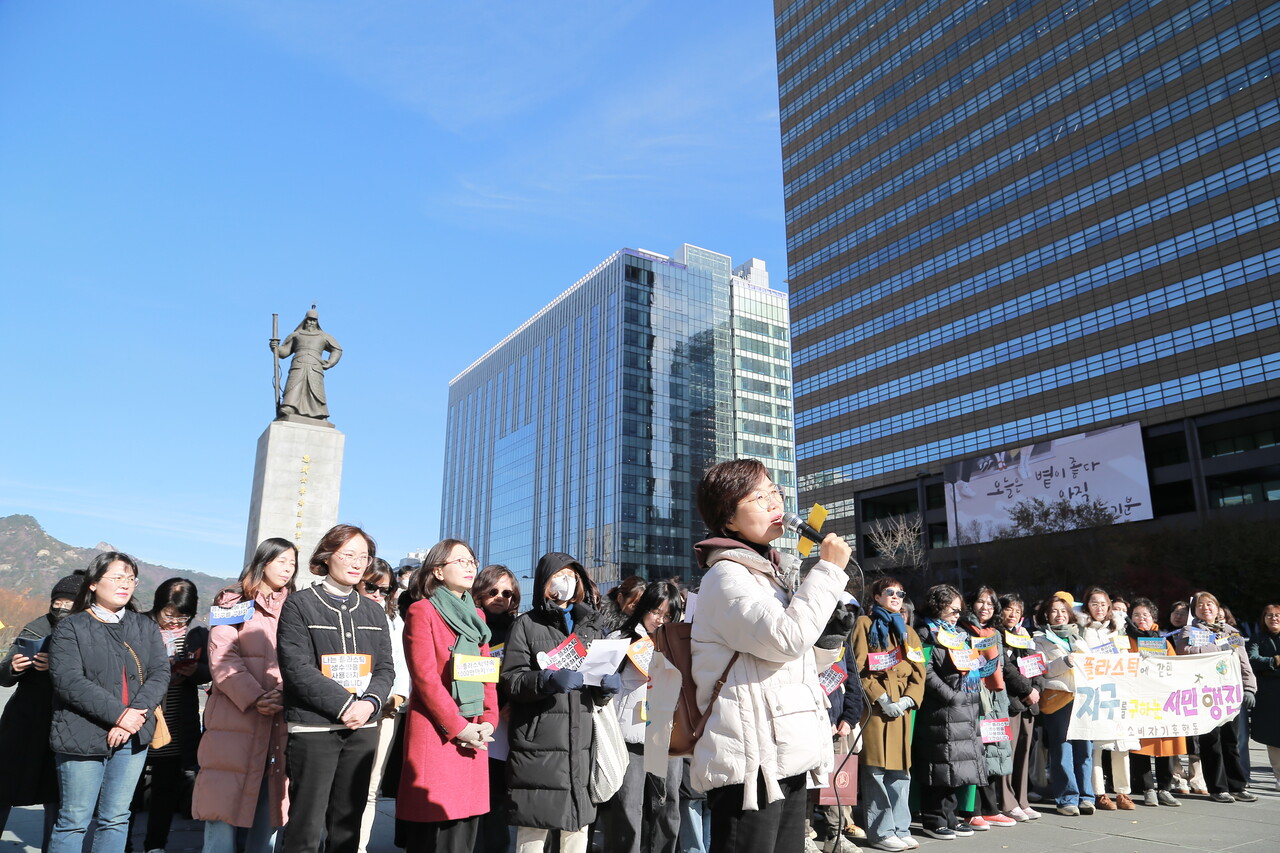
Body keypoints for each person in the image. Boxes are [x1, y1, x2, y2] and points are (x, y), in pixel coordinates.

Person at [686, 458, 852, 853]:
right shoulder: (726, 576)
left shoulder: (767, 575)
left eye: (774, 491)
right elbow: (784, 639)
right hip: (751, 761)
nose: (775, 502)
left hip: (783, 751)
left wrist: (827, 641)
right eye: (759, 497)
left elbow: (789, 663)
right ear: (728, 520)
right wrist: (827, 573)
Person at [277, 524, 396, 853]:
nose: (358, 562)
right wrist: (347, 705)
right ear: (327, 556)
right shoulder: (299, 604)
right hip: (314, 726)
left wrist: (370, 703)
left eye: (364, 556)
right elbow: (296, 668)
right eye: (349, 554)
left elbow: (385, 668)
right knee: (305, 825)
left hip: (364, 727)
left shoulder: (372, 609)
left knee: (348, 825)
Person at [48, 553, 170, 853]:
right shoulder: (71, 627)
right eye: (117, 577)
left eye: (130, 579)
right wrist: (119, 715)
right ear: (92, 583)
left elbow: (159, 673)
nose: (125, 585)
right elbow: (69, 681)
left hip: (133, 734)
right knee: (74, 819)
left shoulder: (144, 626)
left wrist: (134, 717)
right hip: (82, 732)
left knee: (116, 818)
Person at [501, 552, 617, 853]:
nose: (565, 581)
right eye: (558, 575)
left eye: (571, 575)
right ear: (543, 582)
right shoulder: (526, 624)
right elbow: (512, 680)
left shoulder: (590, 626)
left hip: (581, 740)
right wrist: (546, 681)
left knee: (577, 830)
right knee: (533, 830)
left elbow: (597, 676)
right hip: (538, 742)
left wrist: (606, 687)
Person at [192, 538, 298, 853]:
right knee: (222, 804)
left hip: (280, 715)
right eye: (281, 561)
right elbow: (221, 654)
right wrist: (255, 697)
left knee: (271, 806)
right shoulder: (232, 600)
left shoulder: (297, 605)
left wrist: (283, 693)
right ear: (263, 562)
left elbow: (304, 658)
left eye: (292, 563)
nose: (288, 568)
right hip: (234, 716)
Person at [396, 539, 498, 852]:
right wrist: (459, 726)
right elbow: (425, 679)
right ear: (438, 571)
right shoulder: (422, 611)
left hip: (475, 733)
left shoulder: (477, 616)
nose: (471, 567)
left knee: (464, 833)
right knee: (434, 835)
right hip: (437, 733)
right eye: (461, 561)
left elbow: (485, 675)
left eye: (472, 561)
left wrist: (489, 720)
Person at [600, 581, 685, 853]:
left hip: (666, 735)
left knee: (668, 805)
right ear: (644, 607)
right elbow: (598, 683)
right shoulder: (620, 639)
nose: (660, 620)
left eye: (668, 616)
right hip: (629, 737)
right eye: (656, 612)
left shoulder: (680, 646)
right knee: (627, 806)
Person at [0, 572, 81, 852]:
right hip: (24, 721)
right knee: (4, 785)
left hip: (65, 724)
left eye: (69, 602)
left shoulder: (87, 629)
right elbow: (4, 674)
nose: (61, 607)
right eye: (57, 601)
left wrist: (56, 666)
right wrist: (14, 666)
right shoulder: (36, 626)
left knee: (58, 798)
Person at [134, 579, 211, 853]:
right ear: (158, 606)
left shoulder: (198, 633)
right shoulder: (138, 625)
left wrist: (195, 672)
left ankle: (156, 845)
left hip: (177, 721)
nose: (176, 622)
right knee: (128, 790)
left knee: (165, 788)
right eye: (169, 614)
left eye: (183, 616)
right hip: (138, 719)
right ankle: (121, 845)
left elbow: (210, 669)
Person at [850, 577, 924, 852]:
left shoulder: (908, 632)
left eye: (900, 593)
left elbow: (919, 672)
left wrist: (907, 700)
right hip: (877, 711)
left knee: (901, 772)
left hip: (901, 712)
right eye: (890, 592)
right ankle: (881, 832)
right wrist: (879, 697)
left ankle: (900, 828)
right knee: (876, 772)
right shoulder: (864, 625)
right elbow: (857, 668)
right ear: (877, 596)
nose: (896, 596)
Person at [913, 584, 987, 840]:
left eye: (959, 610)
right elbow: (926, 670)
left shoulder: (958, 633)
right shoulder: (925, 632)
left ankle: (951, 816)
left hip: (964, 705)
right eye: (953, 609)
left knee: (955, 766)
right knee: (938, 764)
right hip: (940, 707)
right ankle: (933, 818)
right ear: (938, 606)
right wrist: (950, 695)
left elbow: (970, 662)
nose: (957, 614)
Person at [1171, 591, 1257, 803]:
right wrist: (1217, 646)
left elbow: (1244, 662)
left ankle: (1237, 785)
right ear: (1195, 611)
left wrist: (1249, 688)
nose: (1206, 608)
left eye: (1210, 604)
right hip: (1206, 694)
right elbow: (1185, 651)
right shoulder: (1188, 631)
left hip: (1230, 693)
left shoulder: (1231, 632)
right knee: (1211, 741)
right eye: (1200, 606)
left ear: (1218, 609)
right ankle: (1218, 788)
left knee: (1231, 741)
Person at [357, 560, 410, 853]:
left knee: (371, 786)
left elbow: (402, 666)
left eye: (384, 589)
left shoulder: (395, 621)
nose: (377, 594)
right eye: (371, 586)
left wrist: (398, 697)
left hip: (386, 712)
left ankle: (360, 846)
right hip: (341, 711)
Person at [471, 564, 521, 853]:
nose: (500, 597)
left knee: (497, 798)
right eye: (493, 591)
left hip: (506, 727)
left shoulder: (520, 627)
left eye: (507, 592)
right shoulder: (467, 625)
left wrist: (511, 702)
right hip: (472, 720)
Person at [1032, 594, 1093, 816]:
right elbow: (1042, 669)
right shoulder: (1039, 640)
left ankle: (1087, 796)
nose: (1059, 615)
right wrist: (1065, 661)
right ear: (1046, 615)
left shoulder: (1079, 638)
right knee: (1062, 749)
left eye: (1063, 611)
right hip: (1059, 699)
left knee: (1085, 748)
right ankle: (1067, 797)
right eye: (1054, 611)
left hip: (1084, 699)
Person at [960, 586, 1016, 829]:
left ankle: (991, 808)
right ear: (971, 603)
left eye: (991, 604)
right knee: (974, 754)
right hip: (973, 696)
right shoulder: (962, 630)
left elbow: (1001, 668)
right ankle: (971, 810)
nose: (985, 607)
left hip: (995, 699)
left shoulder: (995, 633)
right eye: (981, 602)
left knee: (992, 753)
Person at [1123, 597, 1185, 807]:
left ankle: (1165, 788)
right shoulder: (1124, 640)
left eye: (1145, 615)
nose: (1141, 619)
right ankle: (1147, 787)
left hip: (1161, 701)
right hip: (1136, 700)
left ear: (1153, 619)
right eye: (1136, 615)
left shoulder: (1163, 640)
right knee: (1140, 746)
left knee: (1166, 744)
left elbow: (1174, 668)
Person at [1077, 586, 1135, 810]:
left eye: (1103, 604)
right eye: (1094, 603)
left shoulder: (1117, 629)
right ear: (1086, 606)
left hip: (1118, 690)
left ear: (1109, 607)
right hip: (1093, 692)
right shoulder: (1081, 629)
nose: (1099, 608)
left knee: (1122, 742)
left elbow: (1125, 655)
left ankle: (1123, 792)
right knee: (1097, 745)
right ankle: (1099, 792)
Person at [997, 593, 1042, 821]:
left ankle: (1022, 800)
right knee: (1008, 752)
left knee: (1024, 752)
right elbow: (1006, 669)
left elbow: (1035, 664)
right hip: (1011, 702)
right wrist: (1026, 690)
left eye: (1017, 610)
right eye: (1008, 609)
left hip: (1029, 703)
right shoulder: (997, 635)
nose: (1013, 614)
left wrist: (1036, 690)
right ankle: (1007, 800)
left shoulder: (1024, 636)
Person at [273, 306, 342, 420]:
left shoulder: (323, 336)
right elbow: (284, 352)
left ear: (317, 322)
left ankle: (318, 411)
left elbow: (337, 349)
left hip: (315, 365)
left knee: (315, 389)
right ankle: (290, 406)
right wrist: (276, 348)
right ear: (305, 320)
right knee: (294, 385)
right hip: (298, 364)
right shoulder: (296, 335)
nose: (311, 322)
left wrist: (330, 362)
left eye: (314, 320)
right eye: (309, 319)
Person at [1247, 603, 1280, 791]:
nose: (1274, 618)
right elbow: (1252, 660)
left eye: (1277, 615)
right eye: (1269, 615)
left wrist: (1267, 667)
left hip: (1269, 683)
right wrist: (1274, 661)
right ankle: (1278, 776)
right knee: (1273, 737)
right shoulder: (1258, 638)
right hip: (1268, 695)